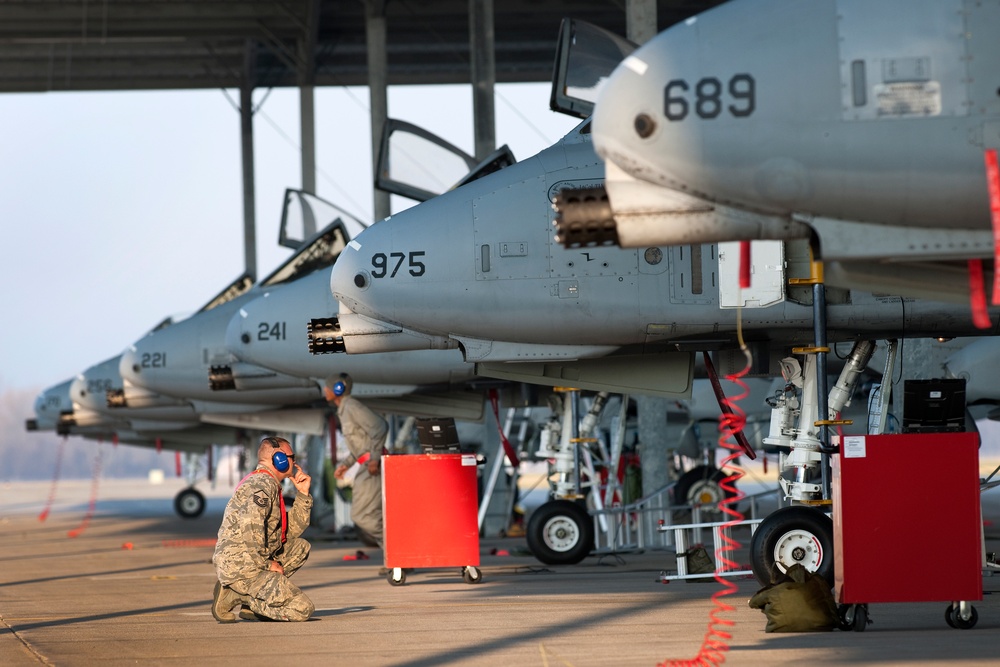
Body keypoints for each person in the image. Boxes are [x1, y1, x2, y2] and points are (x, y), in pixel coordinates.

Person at [211, 436, 315, 623]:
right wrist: (267, 565)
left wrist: (303, 495)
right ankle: (245, 597)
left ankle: (244, 596)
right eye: (292, 457)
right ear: (280, 459)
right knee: (302, 609)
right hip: (243, 567)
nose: (295, 462)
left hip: (251, 560)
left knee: (300, 547)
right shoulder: (261, 485)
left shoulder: (269, 483)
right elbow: (250, 530)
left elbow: (289, 532)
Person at [325, 373, 388, 548]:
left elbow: (380, 426)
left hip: (372, 467)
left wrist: (375, 459)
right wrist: (345, 465)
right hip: (366, 464)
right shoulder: (344, 410)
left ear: (338, 389)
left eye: (328, 386)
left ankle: (398, 548)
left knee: (362, 516)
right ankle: (395, 558)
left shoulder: (352, 406)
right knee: (371, 515)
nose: (325, 390)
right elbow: (360, 446)